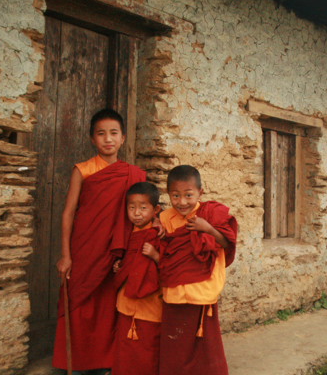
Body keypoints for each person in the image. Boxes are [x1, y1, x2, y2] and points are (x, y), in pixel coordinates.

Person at [52, 109, 146, 375]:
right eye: (101, 133)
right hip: (85, 247)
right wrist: (65, 255)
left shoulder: (133, 174)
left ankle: (105, 362)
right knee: (79, 303)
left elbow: (143, 210)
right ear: (92, 139)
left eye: (113, 133)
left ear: (123, 138)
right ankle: (75, 363)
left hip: (115, 248)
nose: (108, 139)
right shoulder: (82, 170)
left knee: (107, 307)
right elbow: (69, 213)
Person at [158, 165, 238, 375]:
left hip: (202, 293)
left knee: (205, 349)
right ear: (168, 194)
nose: (182, 202)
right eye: (175, 195)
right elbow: (164, 249)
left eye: (188, 195)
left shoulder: (210, 214)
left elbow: (226, 243)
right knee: (175, 346)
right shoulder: (165, 218)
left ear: (200, 193)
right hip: (173, 293)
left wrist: (207, 229)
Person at [111, 182, 163, 375]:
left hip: (149, 302)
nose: (136, 213)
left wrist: (155, 255)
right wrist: (120, 266)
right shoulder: (126, 232)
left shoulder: (158, 233)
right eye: (131, 207)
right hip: (126, 300)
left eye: (143, 207)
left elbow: (169, 265)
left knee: (147, 347)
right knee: (124, 346)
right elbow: (127, 259)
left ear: (155, 210)